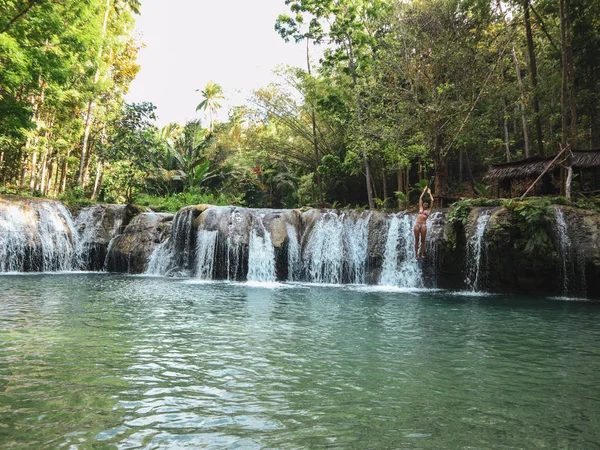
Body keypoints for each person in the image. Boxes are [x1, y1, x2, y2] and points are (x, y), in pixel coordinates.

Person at [414, 187, 434, 259]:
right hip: (417, 224)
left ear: (427, 206)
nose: (425, 205)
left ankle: (422, 254)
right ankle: (416, 254)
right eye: (424, 204)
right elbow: (420, 198)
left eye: (426, 204)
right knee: (416, 240)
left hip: (423, 225)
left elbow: (432, 200)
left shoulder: (428, 211)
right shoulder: (420, 208)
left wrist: (429, 193)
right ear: (422, 205)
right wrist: (424, 191)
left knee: (423, 240)